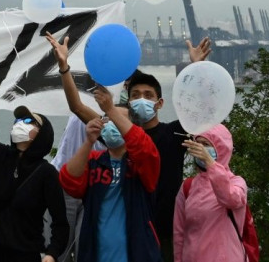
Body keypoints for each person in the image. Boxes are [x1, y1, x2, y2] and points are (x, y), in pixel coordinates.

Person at [46, 32, 211, 261]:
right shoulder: (115, 136)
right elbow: (77, 106)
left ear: (159, 102)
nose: (141, 99)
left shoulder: (172, 132)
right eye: (135, 95)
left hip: (163, 229)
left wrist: (197, 68)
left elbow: (200, 112)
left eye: (147, 95)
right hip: (123, 227)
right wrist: (64, 68)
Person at [0, 66, 69, 262]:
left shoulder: (47, 173)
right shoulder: (1, 155)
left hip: (28, 255)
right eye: (18, 119)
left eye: (28, 120)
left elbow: (60, 224)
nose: (20, 123)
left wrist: (51, 255)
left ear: (42, 134)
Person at [59, 87, 161, 262]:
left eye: (118, 120)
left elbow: (144, 147)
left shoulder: (140, 163)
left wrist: (110, 109)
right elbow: (69, 181)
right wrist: (89, 142)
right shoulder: (94, 160)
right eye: (108, 120)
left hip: (137, 253)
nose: (111, 123)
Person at [173, 124, 248, 262]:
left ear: (222, 148)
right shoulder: (188, 187)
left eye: (206, 144)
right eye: (198, 143)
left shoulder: (236, 182)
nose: (201, 149)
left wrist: (211, 163)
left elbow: (230, 199)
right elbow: (179, 233)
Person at [46, 115, 106, 262]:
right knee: (58, 250)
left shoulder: (118, 110)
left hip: (96, 186)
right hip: (65, 182)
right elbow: (77, 106)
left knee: (85, 248)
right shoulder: (85, 101)